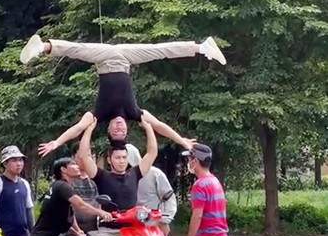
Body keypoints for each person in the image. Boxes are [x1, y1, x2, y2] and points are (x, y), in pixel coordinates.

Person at [19, 34, 226, 155]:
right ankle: (202, 47)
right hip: (126, 58)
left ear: (108, 128)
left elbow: (78, 128)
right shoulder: (134, 112)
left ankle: (43, 46)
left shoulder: (99, 114)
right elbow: (160, 126)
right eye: (122, 131)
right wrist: (182, 140)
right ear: (127, 128)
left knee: (78, 50)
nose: (119, 127)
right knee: (158, 50)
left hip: (104, 60)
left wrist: (56, 142)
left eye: (115, 131)